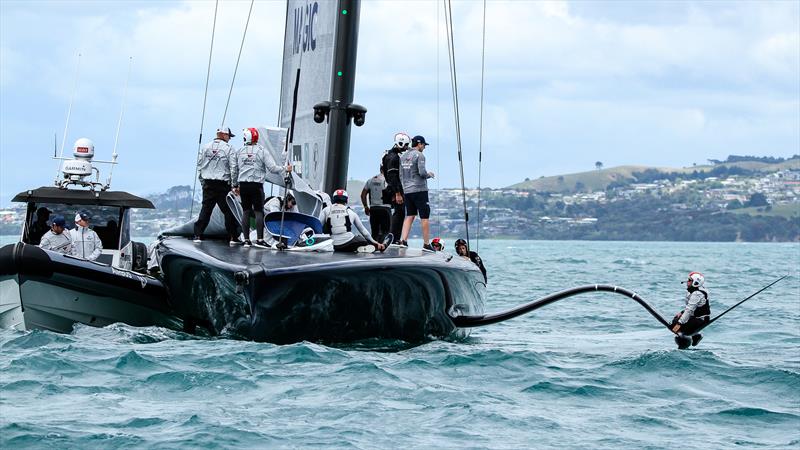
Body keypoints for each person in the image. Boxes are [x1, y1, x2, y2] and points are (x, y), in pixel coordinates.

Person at [231, 127, 290, 248]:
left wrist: (235, 185)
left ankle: (246, 240)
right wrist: (285, 168)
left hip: (244, 185)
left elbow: (234, 169)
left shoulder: (240, 151)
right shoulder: (262, 151)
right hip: (256, 186)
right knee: (259, 212)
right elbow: (272, 168)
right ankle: (259, 239)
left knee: (246, 211)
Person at [193, 126, 241, 245]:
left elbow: (199, 165)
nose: (229, 139)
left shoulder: (205, 147)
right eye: (229, 136)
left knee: (206, 209)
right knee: (228, 211)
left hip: (208, 183)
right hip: (223, 184)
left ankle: (197, 235)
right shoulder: (229, 148)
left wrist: (203, 182)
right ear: (224, 135)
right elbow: (233, 167)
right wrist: (234, 184)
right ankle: (233, 237)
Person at [319, 189, 386, 253]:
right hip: (349, 242)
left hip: (333, 244)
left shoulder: (326, 210)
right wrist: (374, 242)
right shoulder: (350, 212)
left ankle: (353, 248)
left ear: (334, 199)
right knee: (362, 239)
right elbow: (363, 231)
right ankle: (378, 246)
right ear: (346, 200)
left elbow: (318, 226)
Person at [399, 135, 435, 249]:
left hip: (407, 191)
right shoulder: (420, 155)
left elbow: (400, 175)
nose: (424, 148)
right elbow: (422, 173)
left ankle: (403, 241)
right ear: (419, 144)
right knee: (424, 217)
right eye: (424, 145)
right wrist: (430, 174)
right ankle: (426, 244)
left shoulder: (403, 156)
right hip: (420, 190)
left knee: (410, 215)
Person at [381, 132, 410, 243]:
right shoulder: (394, 158)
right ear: (400, 143)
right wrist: (397, 193)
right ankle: (394, 238)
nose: (407, 147)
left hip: (390, 187)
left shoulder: (387, 154)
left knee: (397, 212)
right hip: (394, 189)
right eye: (406, 145)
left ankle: (392, 237)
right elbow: (393, 176)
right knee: (400, 212)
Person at [671, 271, 711, 346]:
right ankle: (695, 335)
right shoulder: (694, 290)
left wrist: (679, 324)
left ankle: (696, 336)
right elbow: (692, 308)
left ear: (695, 282)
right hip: (695, 317)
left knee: (675, 324)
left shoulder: (697, 294)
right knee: (676, 319)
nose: (687, 281)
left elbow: (689, 310)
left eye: (689, 280)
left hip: (701, 320)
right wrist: (682, 312)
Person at [360, 167, 391, 242]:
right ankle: (382, 246)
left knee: (374, 232)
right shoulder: (388, 180)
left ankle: (374, 246)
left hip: (373, 209)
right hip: (385, 209)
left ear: (380, 169)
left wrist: (366, 207)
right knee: (385, 231)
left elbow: (363, 195)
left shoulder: (370, 180)